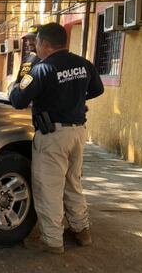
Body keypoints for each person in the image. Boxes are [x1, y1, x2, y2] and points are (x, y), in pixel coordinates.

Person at [9, 22, 105, 254]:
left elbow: (18, 100)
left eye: (37, 43)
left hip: (53, 136)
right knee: (73, 182)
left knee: (49, 187)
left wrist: (16, 84)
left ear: (45, 44)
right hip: (78, 133)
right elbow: (97, 89)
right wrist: (74, 100)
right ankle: (82, 231)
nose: (36, 47)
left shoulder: (42, 69)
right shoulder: (84, 64)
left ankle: (51, 240)